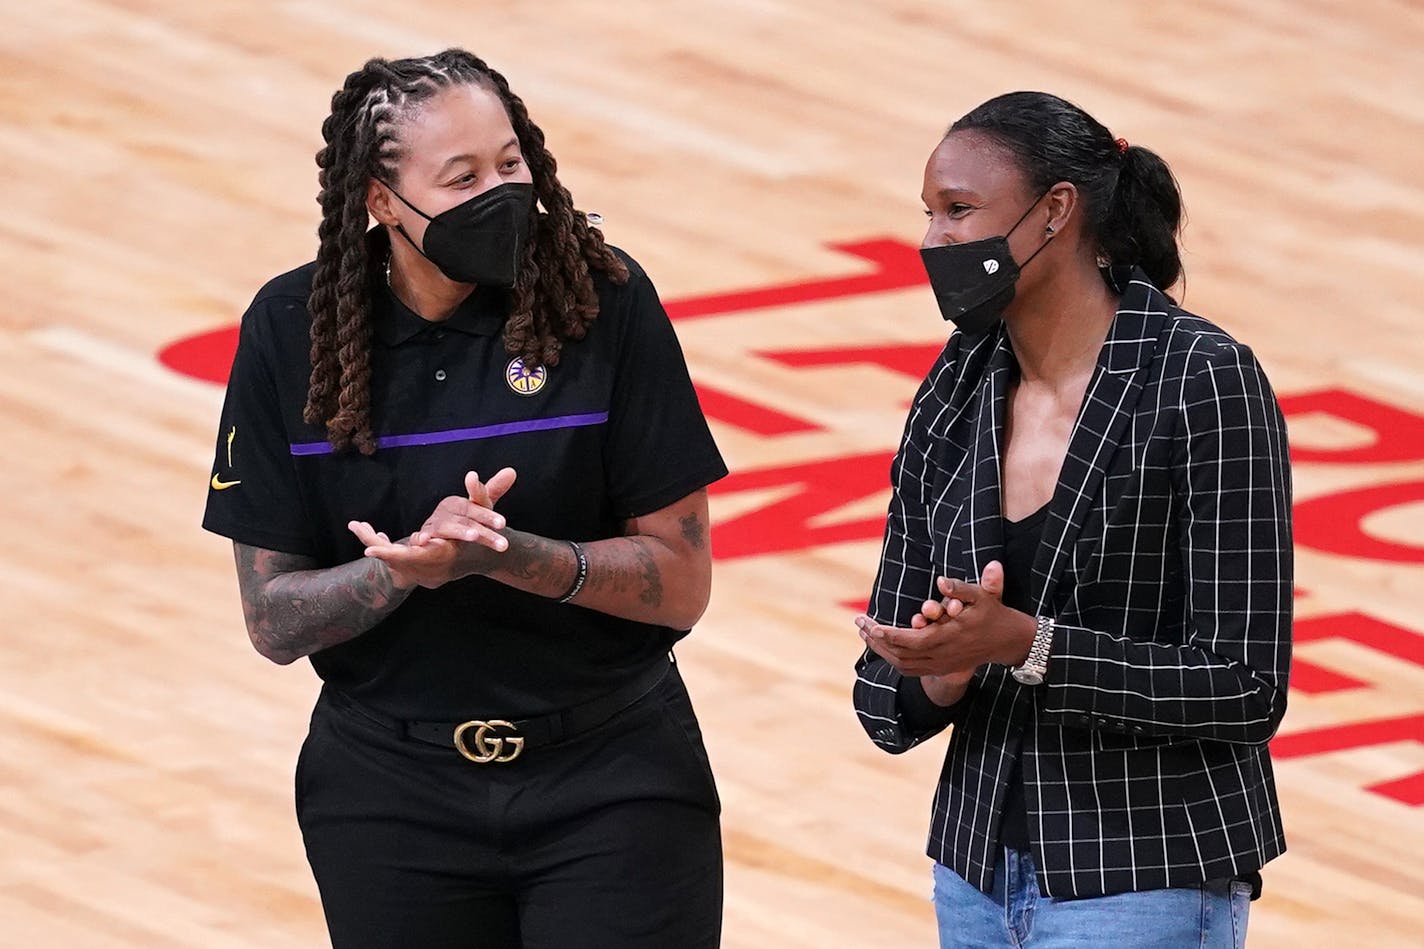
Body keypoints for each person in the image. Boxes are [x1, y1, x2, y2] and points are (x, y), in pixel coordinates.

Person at [202, 49, 726, 948]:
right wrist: (401, 573)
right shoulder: (293, 333)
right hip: (389, 795)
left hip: (612, 779)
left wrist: (509, 556)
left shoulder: (603, 301)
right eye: (464, 177)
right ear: (379, 199)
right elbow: (272, 621)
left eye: (511, 162)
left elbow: (680, 581)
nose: (502, 192)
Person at [852, 91, 1292, 948]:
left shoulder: (1201, 381)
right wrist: (939, 665)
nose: (935, 240)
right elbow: (881, 694)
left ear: (1056, 211)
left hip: (1146, 874)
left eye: (960, 210)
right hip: (974, 874)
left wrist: (1027, 643)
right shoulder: (955, 387)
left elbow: (1246, 683)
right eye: (929, 214)